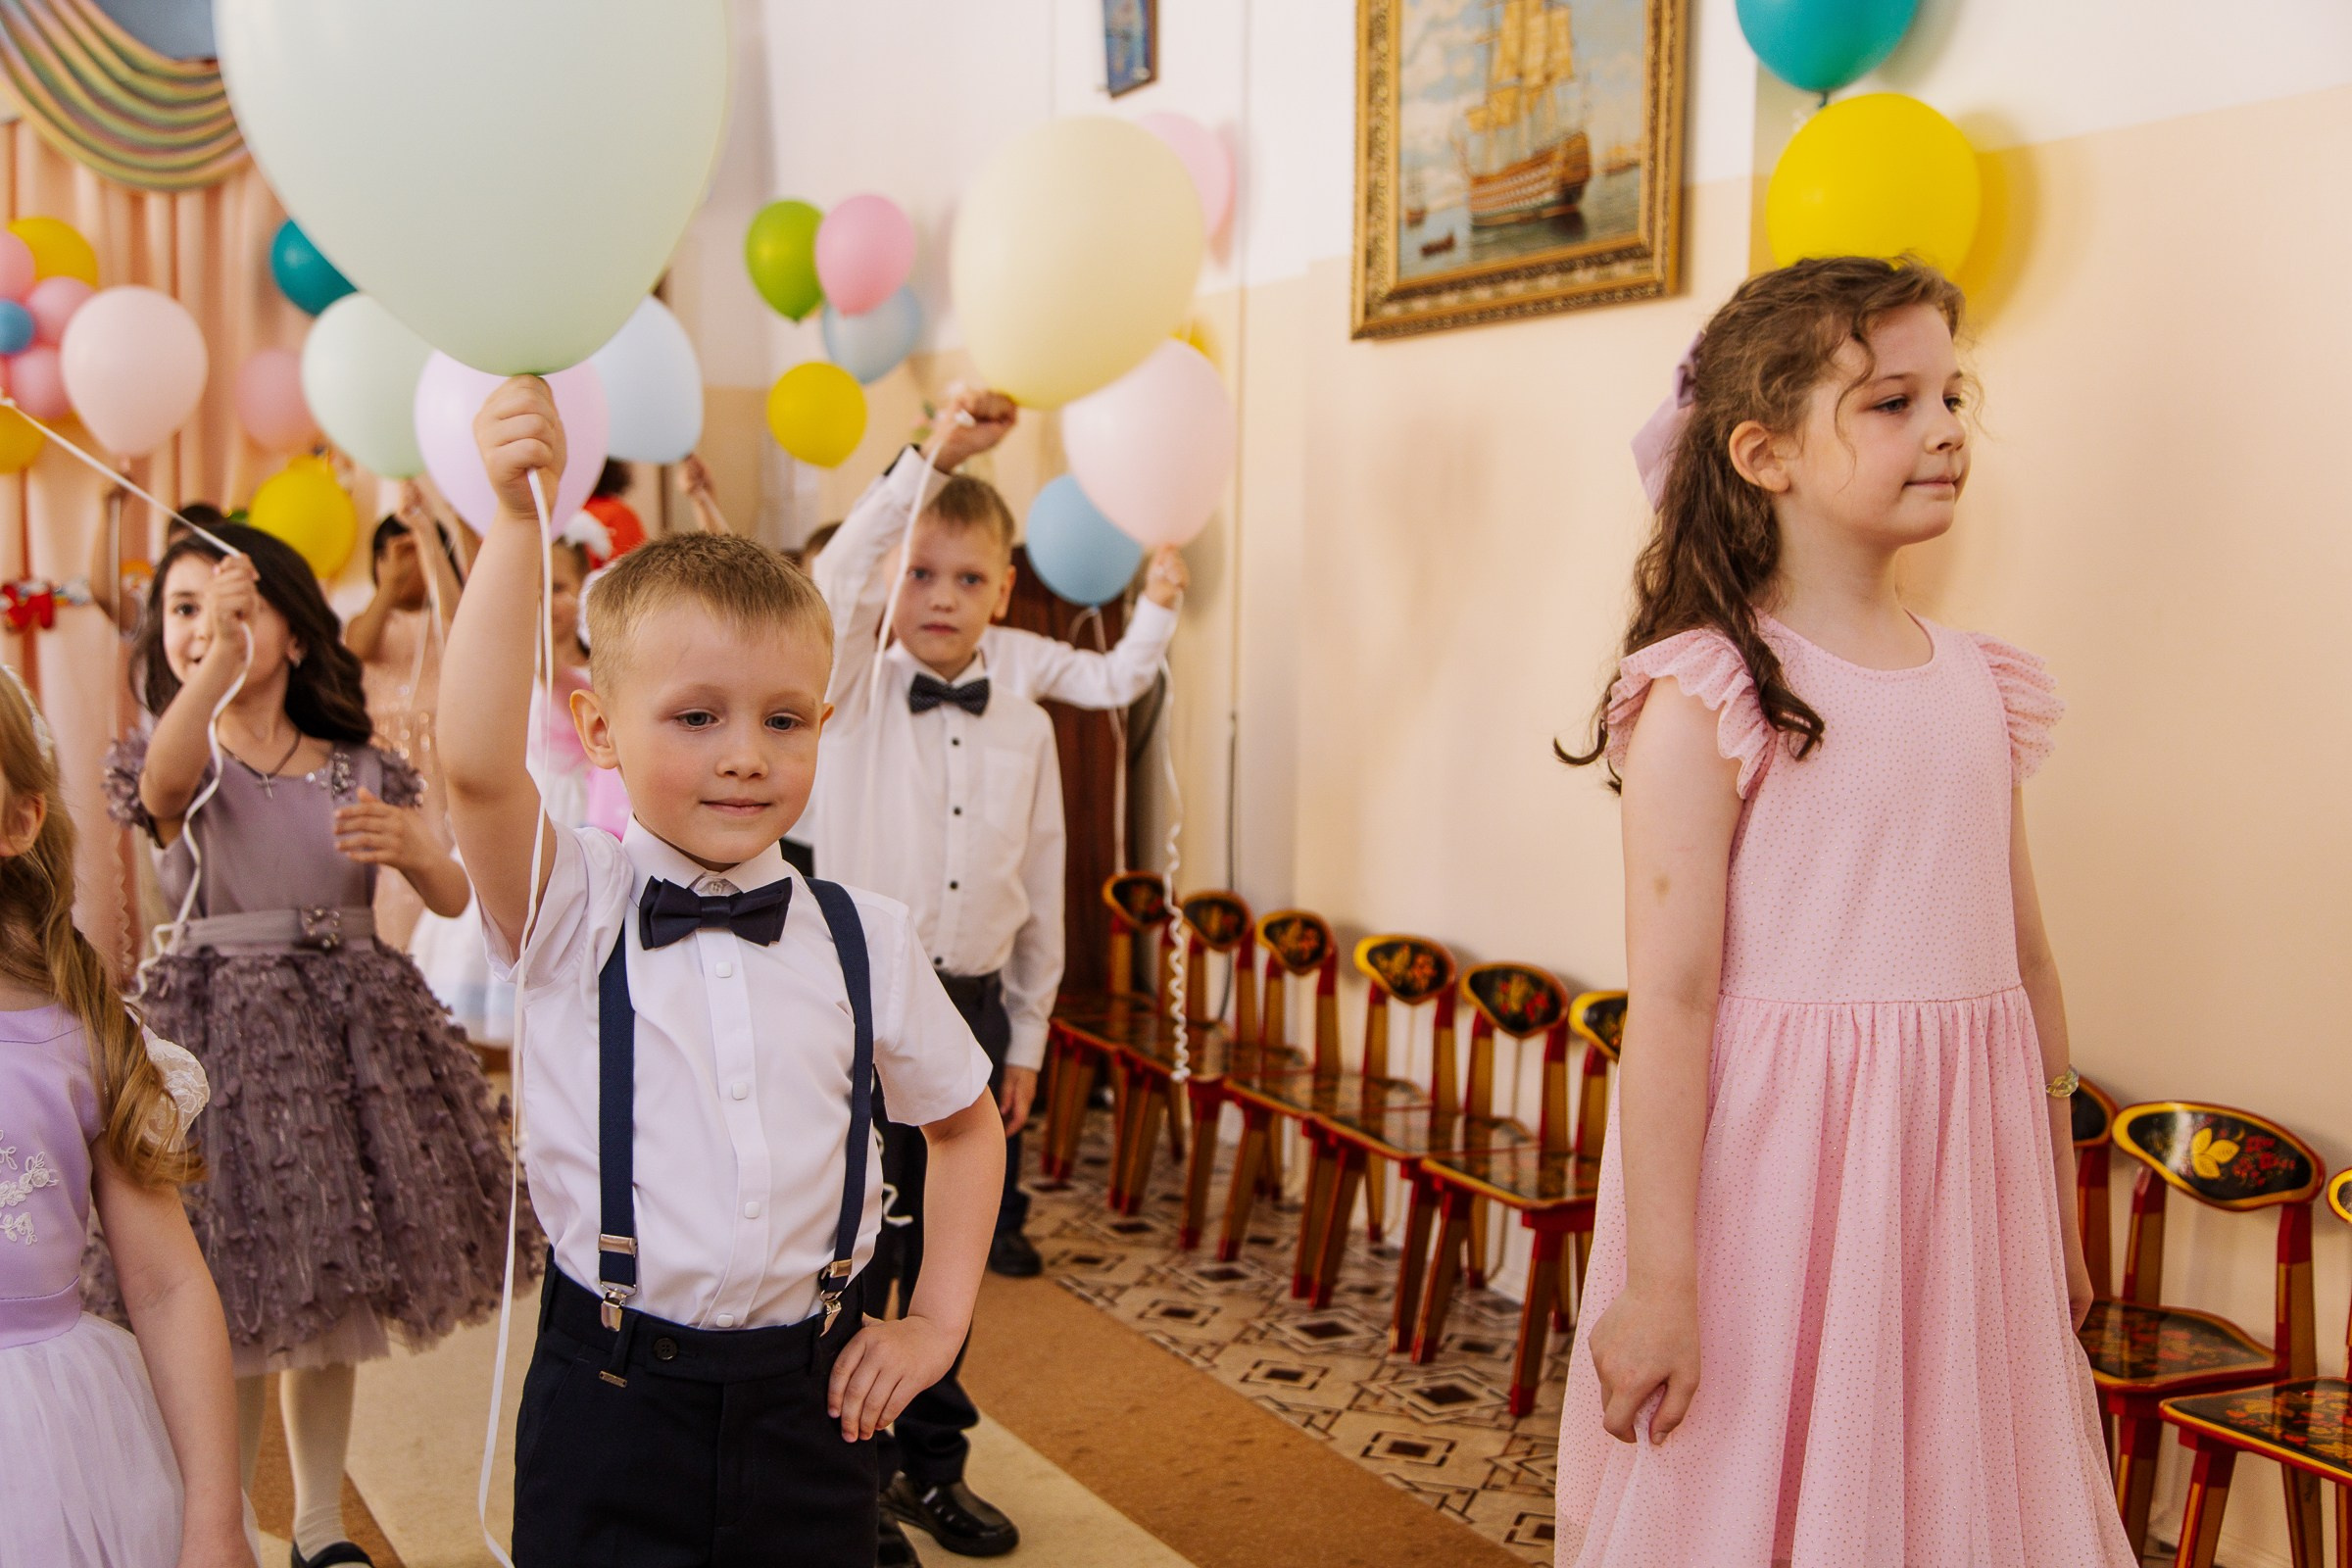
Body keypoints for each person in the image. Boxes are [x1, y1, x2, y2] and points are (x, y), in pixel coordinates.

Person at [1551, 258, 2132, 1566]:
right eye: (1891, 403)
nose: (1944, 429)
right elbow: (1678, 998)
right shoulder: (1707, 690)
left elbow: (2027, 962)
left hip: (1960, 1178)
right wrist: (1660, 1280)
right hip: (1778, 1188)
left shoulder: (1983, 683)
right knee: (1768, 1495)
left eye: (1953, 395)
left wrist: (2055, 1202)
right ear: (1764, 453)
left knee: (1948, 1493)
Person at [440, 377, 1003, 1568]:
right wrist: (507, 523)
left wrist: (938, 1322)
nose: (746, 756)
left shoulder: (866, 934)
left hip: (815, 1398)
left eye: (784, 720)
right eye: (696, 717)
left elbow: (965, 1125)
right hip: (611, 1391)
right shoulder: (570, 905)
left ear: (823, 720)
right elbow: (479, 770)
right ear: (598, 730)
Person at [107, 523, 530, 1568]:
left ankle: (317, 1527)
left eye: (239, 606)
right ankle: (233, 1520)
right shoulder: (186, 749)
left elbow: (449, 891)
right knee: (238, 1293)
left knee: (330, 1284)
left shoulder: (356, 763)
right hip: (220, 1045)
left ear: (297, 635)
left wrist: (425, 854)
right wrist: (211, 671)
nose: (212, 629)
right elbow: (161, 792)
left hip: (344, 1037)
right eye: (187, 613)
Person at [813, 386, 1133, 1563]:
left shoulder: (1027, 723)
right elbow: (835, 585)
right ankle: (846, 1484)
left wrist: (1030, 1038)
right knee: (854, 1251)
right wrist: (929, 458)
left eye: (966, 577)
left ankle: (931, 1470)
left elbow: (1043, 881)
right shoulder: (845, 693)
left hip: (972, 1010)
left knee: (948, 1262)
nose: (938, 598)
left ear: (1005, 591)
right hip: (856, 1007)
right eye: (920, 573)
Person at [0, 665, 258, 1568]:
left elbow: (167, 1287)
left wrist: (215, 1518)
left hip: (45, 1442)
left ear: (19, 821)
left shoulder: (82, 1039)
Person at [412, 533, 625, 1043]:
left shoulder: (598, 673)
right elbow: (459, 616)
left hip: (574, 810)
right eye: (530, 590)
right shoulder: (511, 668)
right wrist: (428, 536)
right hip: (516, 805)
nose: (544, 602)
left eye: (558, 587)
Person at [344, 489, 468, 951]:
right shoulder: (370, 622)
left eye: (414, 555)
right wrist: (389, 588)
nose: (404, 565)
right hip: (388, 774)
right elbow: (355, 648)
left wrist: (429, 536)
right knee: (391, 887)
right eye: (392, 556)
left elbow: (462, 623)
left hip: (444, 774)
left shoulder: (447, 623)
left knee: (446, 868)